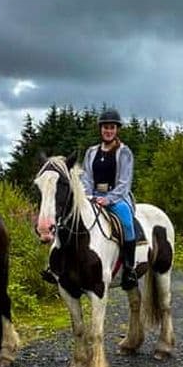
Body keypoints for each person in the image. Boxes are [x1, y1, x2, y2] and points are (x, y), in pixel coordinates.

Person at [40, 108, 139, 290]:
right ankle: (55, 266)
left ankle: (130, 268)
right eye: (105, 128)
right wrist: (88, 195)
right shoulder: (92, 152)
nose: (108, 131)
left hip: (117, 197)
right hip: (93, 195)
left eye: (112, 128)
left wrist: (108, 199)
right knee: (66, 220)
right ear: (100, 129)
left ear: (116, 130)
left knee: (126, 221)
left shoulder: (124, 152)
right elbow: (86, 178)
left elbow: (125, 182)